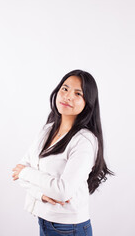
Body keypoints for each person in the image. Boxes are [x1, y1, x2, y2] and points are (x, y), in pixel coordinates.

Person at [12, 69, 114, 236]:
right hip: (44, 220)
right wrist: (41, 194)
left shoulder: (84, 141)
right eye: (65, 89)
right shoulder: (47, 129)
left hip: (69, 228)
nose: (67, 96)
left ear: (88, 102)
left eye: (78, 93)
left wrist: (26, 172)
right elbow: (19, 169)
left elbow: (62, 191)